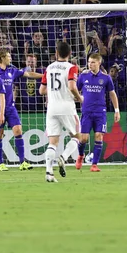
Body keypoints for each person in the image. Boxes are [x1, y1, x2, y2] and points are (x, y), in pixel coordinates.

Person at [39, 41, 83, 183]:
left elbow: (41, 90)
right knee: (78, 137)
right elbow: (71, 86)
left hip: (51, 108)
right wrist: (79, 98)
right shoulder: (72, 67)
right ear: (70, 54)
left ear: (56, 53)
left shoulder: (49, 68)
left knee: (53, 142)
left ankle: (49, 173)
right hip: (66, 106)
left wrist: (53, 91)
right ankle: (63, 157)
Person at [0, 50, 42, 171]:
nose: (10, 58)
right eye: (8, 56)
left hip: (10, 107)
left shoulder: (12, 70)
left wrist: (44, 77)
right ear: (2, 58)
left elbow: (29, 74)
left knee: (18, 131)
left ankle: (22, 162)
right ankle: (0, 163)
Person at [75, 53, 120, 172]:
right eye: (89, 62)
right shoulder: (83, 76)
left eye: (93, 62)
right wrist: (77, 98)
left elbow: (112, 93)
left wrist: (117, 110)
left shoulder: (106, 78)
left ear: (99, 63)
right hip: (86, 112)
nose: (90, 64)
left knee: (99, 136)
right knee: (83, 138)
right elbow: (75, 90)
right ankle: (80, 155)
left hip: (100, 112)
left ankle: (94, 164)